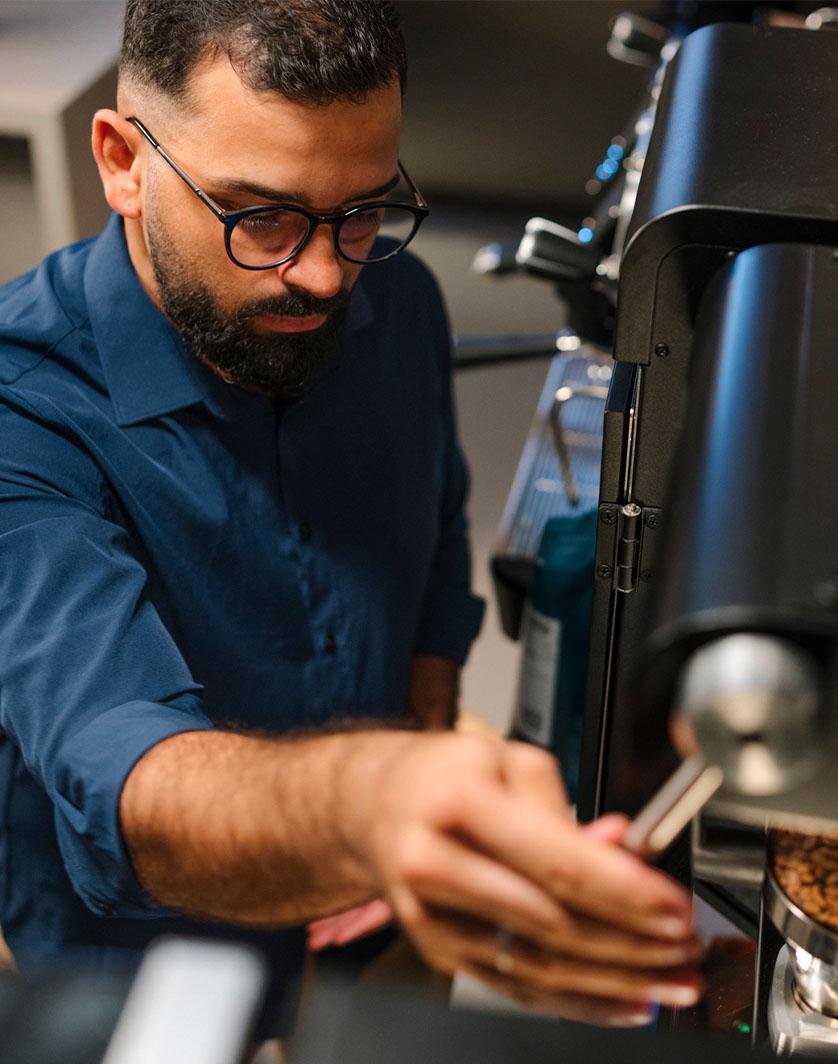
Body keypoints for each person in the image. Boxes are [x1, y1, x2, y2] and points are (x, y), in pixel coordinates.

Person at [0, 0, 701, 1031]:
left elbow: (426, 551)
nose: (324, 272)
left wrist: (417, 737)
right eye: (261, 217)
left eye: (362, 210)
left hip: (377, 887)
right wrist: (369, 809)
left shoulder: (395, 298)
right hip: (142, 960)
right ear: (121, 160)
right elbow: (121, 764)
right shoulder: (25, 410)